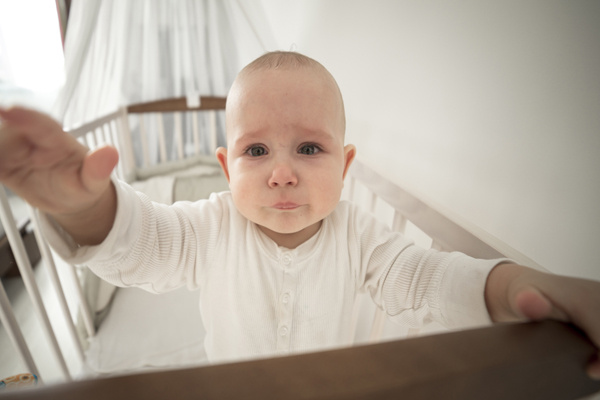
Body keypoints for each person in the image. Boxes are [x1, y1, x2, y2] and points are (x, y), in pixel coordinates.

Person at [0, 52, 599, 376]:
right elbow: (145, 241)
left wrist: (523, 281)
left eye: (309, 148)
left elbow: (431, 278)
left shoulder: (361, 238)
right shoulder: (210, 229)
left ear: (346, 164)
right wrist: (85, 206)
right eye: (255, 151)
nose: (281, 172)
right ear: (225, 167)